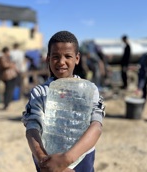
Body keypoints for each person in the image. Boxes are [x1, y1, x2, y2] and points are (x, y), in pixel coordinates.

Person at [22, 31, 105, 172]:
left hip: (81, 158)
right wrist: (44, 160)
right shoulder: (40, 93)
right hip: (48, 161)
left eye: (68, 56)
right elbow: (32, 128)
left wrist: (66, 160)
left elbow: (96, 126)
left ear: (77, 58)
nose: (61, 62)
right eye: (55, 56)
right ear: (48, 58)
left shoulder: (89, 90)